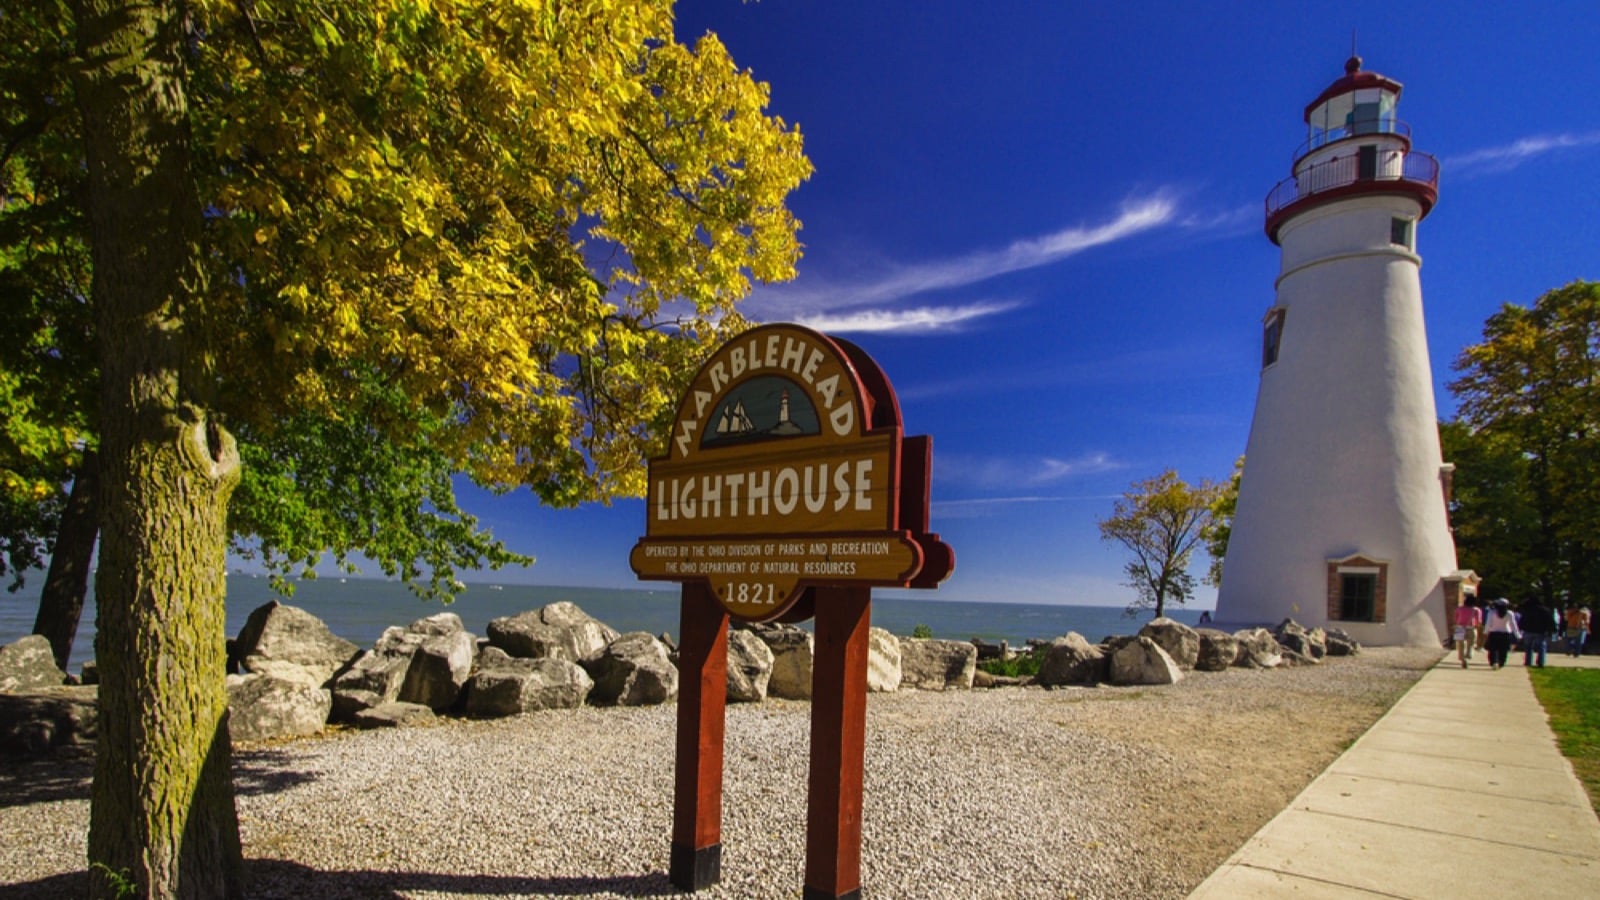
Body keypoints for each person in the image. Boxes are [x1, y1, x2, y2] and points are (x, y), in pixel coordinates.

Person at [1481, 598, 1520, 670]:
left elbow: (1488, 623)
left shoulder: (1492, 612)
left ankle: (1494, 662)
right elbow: (1513, 625)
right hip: (1505, 633)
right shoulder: (1509, 613)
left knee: (1493, 649)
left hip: (1494, 633)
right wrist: (1518, 635)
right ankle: (1501, 662)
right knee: (1503, 650)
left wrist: (1485, 632)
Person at [1519, 597, 1556, 668]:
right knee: (1541, 646)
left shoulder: (1527, 610)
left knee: (1528, 647)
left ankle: (1528, 661)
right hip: (1540, 631)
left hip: (1528, 630)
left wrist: (1521, 628)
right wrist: (1552, 629)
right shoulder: (1545, 610)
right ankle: (1540, 662)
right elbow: (1550, 620)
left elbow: (1522, 620)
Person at [1453, 599, 1482, 669]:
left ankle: (1463, 660)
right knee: (1471, 643)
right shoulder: (1476, 610)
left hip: (1459, 628)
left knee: (1460, 645)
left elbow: (1455, 618)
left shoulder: (1459, 609)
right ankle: (1468, 655)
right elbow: (1479, 620)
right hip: (1471, 627)